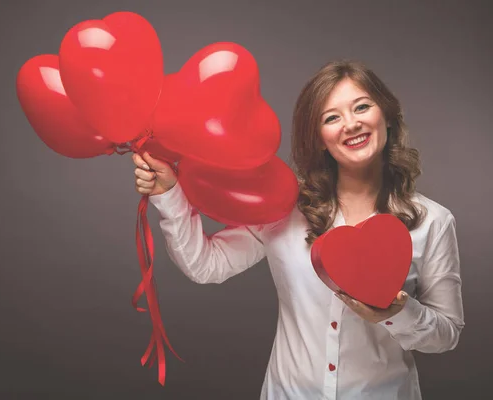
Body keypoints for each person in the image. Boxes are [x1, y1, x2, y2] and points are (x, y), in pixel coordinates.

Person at [131, 60, 464, 400]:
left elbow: (447, 334)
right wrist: (169, 195)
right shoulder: (285, 207)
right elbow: (206, 266)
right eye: (331, 117)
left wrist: (398, 313)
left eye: (362, 107)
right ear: (318, 138)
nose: (351, 124)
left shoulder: (433, 222)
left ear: (387, 116)